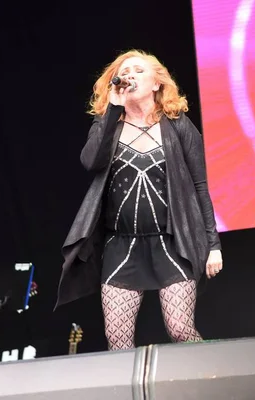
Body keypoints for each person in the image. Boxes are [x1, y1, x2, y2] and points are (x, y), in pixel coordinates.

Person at [54, 50, 223, 350]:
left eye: (138, 70)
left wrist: (213, 245)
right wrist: (111, 112)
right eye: (125, 70)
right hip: (122, 247)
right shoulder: (107, 123)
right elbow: (90, 161)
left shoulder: (177, 124)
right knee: (118, 342)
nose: (130, 74)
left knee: (181, 329)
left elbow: (200, 186)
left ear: (157, 83)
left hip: (172, 244)